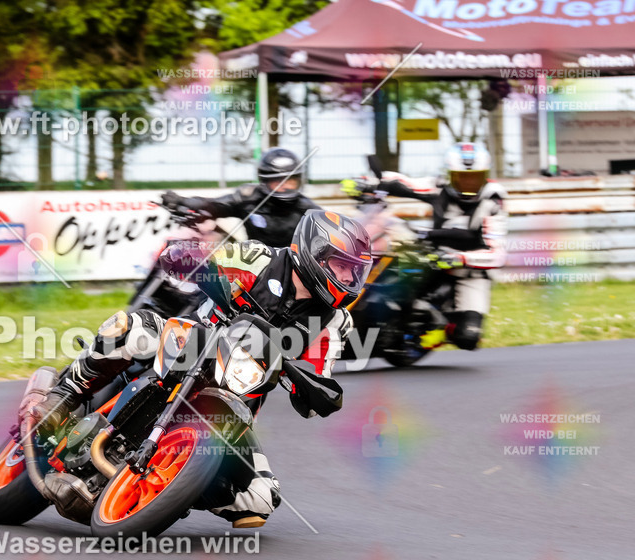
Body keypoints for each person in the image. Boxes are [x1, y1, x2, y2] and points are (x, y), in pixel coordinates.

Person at [30, 209, 372, 529]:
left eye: (354, 271)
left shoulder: (335, 323)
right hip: (189, 342)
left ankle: (175, 486)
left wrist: (313, 391)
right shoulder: (260, 258)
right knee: (129, 329)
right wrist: (191, 257)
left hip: (237, 394)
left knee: (261, 499)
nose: (347, 277)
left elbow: (318, 379)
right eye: (341, 266)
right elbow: (205, 258)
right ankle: (64, 396)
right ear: (315, 253)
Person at [350, 142, 507, 350]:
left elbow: (497, 254)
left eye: (474, 177)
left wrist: (461, 258)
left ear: (484, 175)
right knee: (390, 268)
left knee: (467, 337)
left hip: (469, 270)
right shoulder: (440, 187)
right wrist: (372, 183)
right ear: (451, 175)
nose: (467, 183)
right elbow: (404, 183)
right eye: (461, 177)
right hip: (432, 254)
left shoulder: (493, 203)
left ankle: (435, 332)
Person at [160, 148, 320, 248]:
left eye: (290, 181)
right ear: (265, 181)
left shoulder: (310, 211)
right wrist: (185, 201)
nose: (285, 187)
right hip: (253, 269)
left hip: (294, 274)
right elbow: (215, 205)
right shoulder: (249, 198)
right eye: (278, 181)